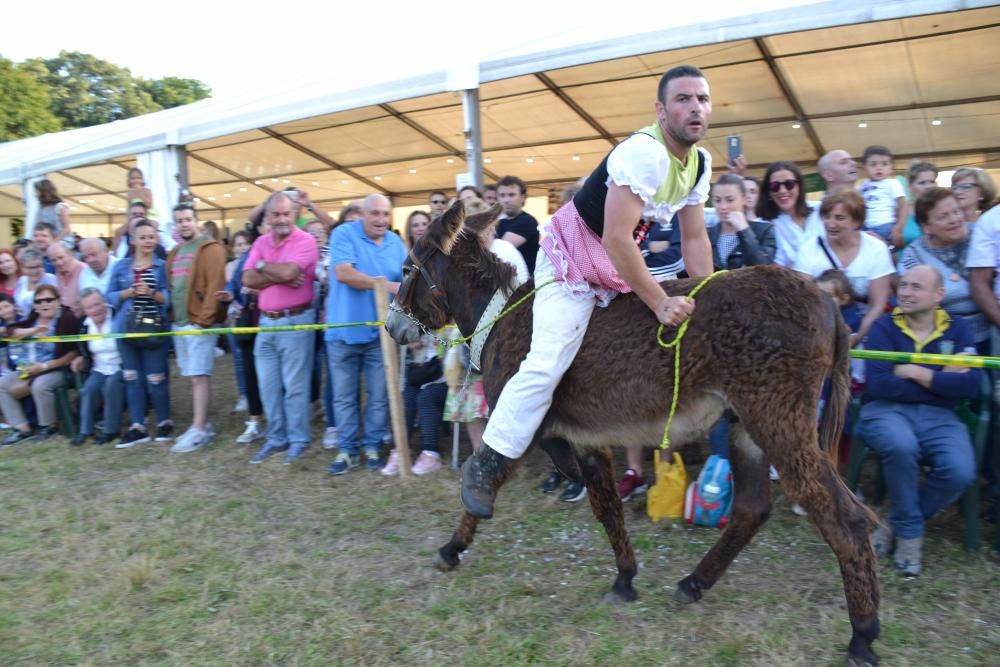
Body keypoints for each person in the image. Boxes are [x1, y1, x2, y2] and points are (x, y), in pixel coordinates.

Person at [461, 65, 714, 518]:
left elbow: (694, 239)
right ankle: (488, 461)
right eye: (683, 99)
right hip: (570, 260)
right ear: (661, 110)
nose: (695, 107)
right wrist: (659, 301)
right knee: (548, 359)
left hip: (614, 264)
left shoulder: (699, 164)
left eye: (702, 99)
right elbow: (617, 238)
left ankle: (564, 431)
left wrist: (708, 294)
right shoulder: (643, 153)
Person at [855, 265, 980, 576]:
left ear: (939, 295)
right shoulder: (884, 326)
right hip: (885, 409)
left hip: (940, 417)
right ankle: (910, 534)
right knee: (901, 445)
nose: (906, 292)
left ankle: (895, 522)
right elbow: (880, 384)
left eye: (916, 287)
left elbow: (971, 386)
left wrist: (914, 371)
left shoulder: (959, 329)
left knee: (960, 470)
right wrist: (939, 378)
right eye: (904, 285)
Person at [325, 194, 405, 475]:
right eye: (376, 214)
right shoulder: (343, 234)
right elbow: (345, 274)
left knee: (380, 395)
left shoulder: (396, 242)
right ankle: (347, 450)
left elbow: (409, 275)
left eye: (386, 214)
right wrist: (389, 286)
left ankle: (372, 445)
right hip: (343, 331)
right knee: (344, 397)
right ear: (362, 214)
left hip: (380, 335)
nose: (382, 220)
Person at [242, 192, 319, 465]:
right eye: (276, 214)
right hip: (266, 322)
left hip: (296, 320)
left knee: (295, 386)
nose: (282, 219)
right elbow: (247, 278)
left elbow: (290, 273)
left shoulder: (306, 240)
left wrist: (264, 269)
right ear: (268, 216)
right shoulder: (261, 242)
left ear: (295, 213)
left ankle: (298, 439)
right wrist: (274, 272)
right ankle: (276, 438)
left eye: (287, 213)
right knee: (268, 386)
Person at [793, 188, 894, 345]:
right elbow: (803, 300)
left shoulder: (876, 248)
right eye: (826, 217)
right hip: (821, 333)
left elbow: (878, 305)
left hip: (866, 333)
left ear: (857, 222)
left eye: (839, 218)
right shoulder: (808, 249)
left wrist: (858, 337)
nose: (831, 224)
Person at [165, 203, 227, 454]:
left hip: (199, 322)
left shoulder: (210, 249)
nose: (184, 223)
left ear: (196, 221)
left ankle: (199, 429)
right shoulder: (175, 252)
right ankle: (200, 424)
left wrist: (204, 319)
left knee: (200, 376)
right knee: (193, 376)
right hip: (179, 321)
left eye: (188, 219)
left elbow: (215, 285)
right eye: (179, 220)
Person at [107, 219, 172, 448]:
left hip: (154, 327)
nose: (148, 241)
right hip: (126, 329)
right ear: (132, 240)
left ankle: (164, 421)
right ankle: (138, 426)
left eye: (151, 237)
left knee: (156, 378)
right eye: (143, 237)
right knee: (131, 377)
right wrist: (128, 292)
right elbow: (110, 297)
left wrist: (152, 292)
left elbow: (168, 298)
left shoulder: (163, 266)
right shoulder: (121, 267)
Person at [899, 188, 989, 352]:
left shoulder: (982, 235)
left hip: (991, 329)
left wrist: (945, 285)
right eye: (943, 216)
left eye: (956, 211)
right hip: (943, 339)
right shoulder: (914, 254)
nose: (954, 219)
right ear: (927, 227)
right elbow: (914, 296)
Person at [0, 284, 80, 445]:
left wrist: (43, 367)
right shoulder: (33, 317)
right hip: (30, 368)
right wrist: (33, 331)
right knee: (2, 384)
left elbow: (73, 352)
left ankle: (47, 428)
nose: (44, 304)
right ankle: (23, 430)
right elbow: (12, 331)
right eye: (39, 301)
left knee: (40, 385)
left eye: (49, 300)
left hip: (57, 368)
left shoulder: (67, 317)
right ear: (34, 305)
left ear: (58, 300)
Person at [217, 220, 268, 446]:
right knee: (249, 372)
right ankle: (254, 421)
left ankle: (277, 420)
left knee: (271, 375)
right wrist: (229, 294)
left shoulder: (275, 253)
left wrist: (260, 290)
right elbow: (235, 285)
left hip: (270, 320)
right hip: (248, 322)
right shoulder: (244, 261)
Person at [70, 288, 124, 446]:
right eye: (89, 307)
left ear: (104, 302)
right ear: (84, 310)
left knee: (111, 385)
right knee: (89, 389)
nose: (95, 310)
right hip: (99, 367)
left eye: (97, 304)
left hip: (121, 365)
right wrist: (80, 357)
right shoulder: (84, 325)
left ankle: (110, 431)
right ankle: (84, 430)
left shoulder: (116, 316)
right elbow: (84, 349)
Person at [707, 173, 776, 269]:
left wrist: (744, 230)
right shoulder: (707, 235)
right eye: (717, 200)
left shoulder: (765, 231)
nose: (723, 206)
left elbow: (763, 268)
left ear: (743, 199)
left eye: (730, 200)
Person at [758, 161, 821, 267]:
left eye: (789, 184)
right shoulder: (763, 225)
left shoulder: (820, 210)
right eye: (775, 186)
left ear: (799, 187)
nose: (782, 190)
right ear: (768, 191)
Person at [857, 145, 908, 246]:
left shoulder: (892, 183)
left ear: (891, 168)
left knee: (887, 252)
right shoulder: (860, 187)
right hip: (864, 227)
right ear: (864, 168)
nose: (879, 168)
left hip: (885, 225)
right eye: (873, 164)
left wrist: (899, 227)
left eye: (884, 164)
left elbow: (903, 205)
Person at [225, 231, 253, 414]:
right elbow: (231, 286)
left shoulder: (253, 263)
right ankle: (244, 394)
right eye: (238, 244)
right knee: (238, 358)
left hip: (252, 315)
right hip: (236, 316)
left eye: (245, 243)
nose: (242, 247)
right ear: (233, 248)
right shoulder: (230, 267)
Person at [495, 175, 541, 274]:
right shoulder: (499, 223)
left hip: (524, 284)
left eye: (511, 195)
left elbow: (499, 252)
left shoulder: (527, 221)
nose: (506, 200)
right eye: (502, 195)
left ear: (522, 197)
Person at [899, 160, 939, 247]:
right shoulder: (901, 212)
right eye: (922, 183)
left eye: (932, 182)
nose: (928, 187)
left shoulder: (944, 210)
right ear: (910, 187)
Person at [13, 248, 56, 319]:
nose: (34, 271)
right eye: (30, 268)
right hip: (22, 323)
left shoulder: (51, 279)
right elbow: (17, 303)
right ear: (23, 268)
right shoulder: (22, 280)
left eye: (38, 266)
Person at [46, 244, 86, 317]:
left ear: (70, 254)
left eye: (61, 257)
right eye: (54, 260)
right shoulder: (57, 272)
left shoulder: (84, 270)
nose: (58, 262)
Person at [33, 179, 73, 247]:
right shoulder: (40, 208)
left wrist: (54, 242)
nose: (36, 194)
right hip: (47, 241)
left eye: (37, 191)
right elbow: (39, 226)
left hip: (62, 241)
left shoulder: (60, 207)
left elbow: (66, 229)